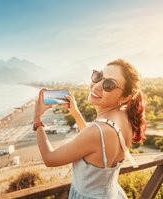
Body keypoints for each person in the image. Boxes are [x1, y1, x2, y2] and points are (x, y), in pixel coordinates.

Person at [33, 59, 147, 198]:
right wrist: (76, 113)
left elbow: (50, 159)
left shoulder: (97, 132)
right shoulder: (124, 118)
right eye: (98, 76)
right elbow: (96, 144)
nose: (97, 86)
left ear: (124, 98)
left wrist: (37, 119)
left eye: (109, 85)